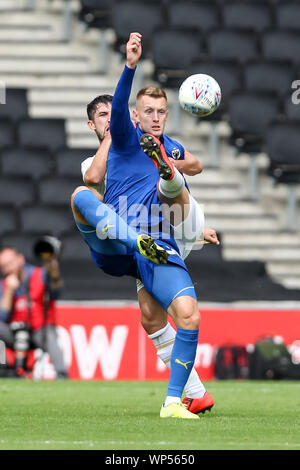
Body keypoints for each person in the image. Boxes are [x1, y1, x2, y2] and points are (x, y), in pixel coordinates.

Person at [71, 32, 217, 419]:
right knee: (80, 197)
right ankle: (141, 235)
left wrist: (192, 227)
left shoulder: (164, 144)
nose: (153, 117)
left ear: (166, 114)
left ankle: (182, 400)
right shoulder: (115, 144)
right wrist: (130, 66)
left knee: (176, 315)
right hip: (117, 240)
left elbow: (198, 166)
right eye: (146, 111)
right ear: (133, 114)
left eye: (159, 112)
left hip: (157, 234)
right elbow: (94, 174)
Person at [0, 246, 68, 379]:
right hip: (13, 332)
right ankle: (5, 369)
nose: (8, 269)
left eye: (10, 264)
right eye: (3, 267)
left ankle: (62, 376)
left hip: (39, 330)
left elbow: (56, 292)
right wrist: (9, 291)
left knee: (50, 336)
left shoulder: (39, 274)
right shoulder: (3, 285)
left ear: (20, 259)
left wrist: (54, 271)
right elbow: (2, 316)